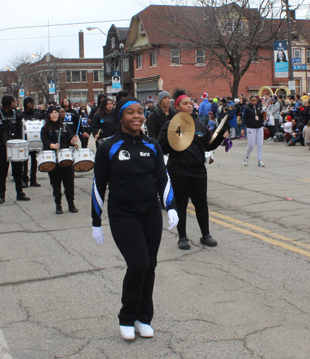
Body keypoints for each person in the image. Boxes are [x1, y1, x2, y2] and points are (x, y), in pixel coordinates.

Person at [91, 97, 178, 340]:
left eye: (140, 112)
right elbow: (99, 186)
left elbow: (163, 179)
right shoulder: (108, 147)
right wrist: (96, 222)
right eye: (131, 113)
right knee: (138, 264)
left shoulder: (152, 145)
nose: (137, 116)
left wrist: (170, 206)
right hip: (123, 213)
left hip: (150, 212)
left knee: (150, 266)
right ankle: (127, 317)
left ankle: (143, 318)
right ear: (120, 117)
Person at [158, 89, 228, 251]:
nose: (189, 106)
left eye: (190, 103)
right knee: (181, 204)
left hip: (198, 170)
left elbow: (207, 145)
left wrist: (220, 136)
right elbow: (161, 148)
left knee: (201, 203)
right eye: (185, 103)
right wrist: (175, 137)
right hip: (178, 170)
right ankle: (182, 237)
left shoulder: (199, 125)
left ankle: (206, 235)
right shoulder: (170, 126)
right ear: (177, 107)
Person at [0, 95, 30, 204]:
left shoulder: (16, 114)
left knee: (18, 171)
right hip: (2, 147)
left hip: (15, 146)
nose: (15, 103)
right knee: (3, 172)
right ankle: (1, 194)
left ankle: (19, 192)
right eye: (13, 101)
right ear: (7, 103)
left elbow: (20, 130)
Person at [41, 107, 79, 214]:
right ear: (48, 115)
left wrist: (73, 140)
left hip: (66, 158)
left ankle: (71, 204)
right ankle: (58, 205)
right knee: (55, 183)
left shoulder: (65, 126)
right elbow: (44, 141)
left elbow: (70, 139)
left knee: (69, 183)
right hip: (52, 159)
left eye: (56, 113)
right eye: (52, 113)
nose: (54, 115)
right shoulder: (45, 128)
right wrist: (51, 145)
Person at [17, 97, 42, 187]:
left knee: (34, 162)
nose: (30, 105)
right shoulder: (21, 115)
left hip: (34, 141)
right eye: (28, 103)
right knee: (24, 162)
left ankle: (33, 179)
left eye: (31, 103)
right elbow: (18, 128)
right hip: (25, 141)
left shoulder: (37, 114)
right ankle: (24, 179)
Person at [243, 96, 265, 167]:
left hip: (259, 127)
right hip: (250, 127)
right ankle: (246, 157)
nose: (254, 102)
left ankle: (259, 160)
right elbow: (244, 118)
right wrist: (242, 128)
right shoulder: (247, 108)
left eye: (255, 100)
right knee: (251, 144)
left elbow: (262, 116)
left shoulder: (259, 107)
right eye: (252, 100)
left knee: (260, 144)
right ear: (250, 100)